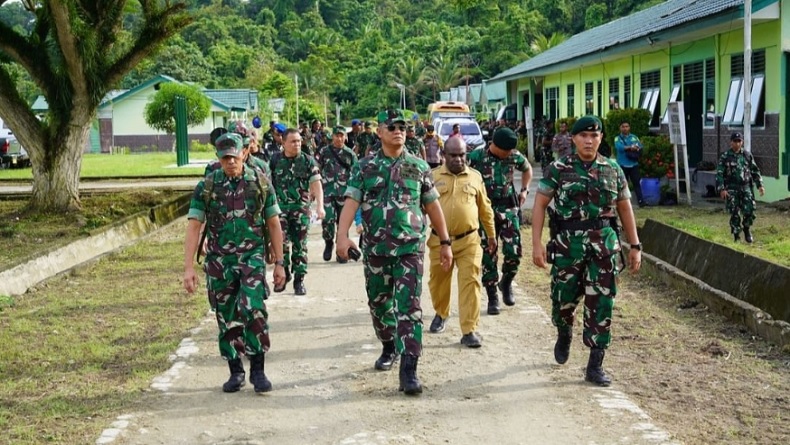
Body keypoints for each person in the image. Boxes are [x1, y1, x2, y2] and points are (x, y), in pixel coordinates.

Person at [335, 109, 453, 396]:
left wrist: (446, 241)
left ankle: (409, 369)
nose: (398, 131)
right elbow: (351, 202)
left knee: (409, 308)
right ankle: (389, 345)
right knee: (379, 304)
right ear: (380, 132)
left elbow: (432, 204)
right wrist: (342, 236)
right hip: (375, 249)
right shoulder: (364, 167)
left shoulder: (418, 166)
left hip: (410, 249)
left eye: (402, 127)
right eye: (392, 127)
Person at [531, 115, 642, 387]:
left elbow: (625, 207)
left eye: (594, 136)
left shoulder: (613, 169)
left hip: (603, 244)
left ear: (601, 138)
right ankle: (564, 331)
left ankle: (595, 364)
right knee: (563, 297)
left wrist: (635, 245)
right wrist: (536, 243)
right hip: (568, 245)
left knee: (602, 300)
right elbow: (541, 204)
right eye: (583, 136)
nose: (589, 140)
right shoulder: (559, 168)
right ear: (574, 138)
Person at [183, 132, 286, 393]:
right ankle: (235, 370)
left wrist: (280, 262)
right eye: (225, 157)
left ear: (244, 153)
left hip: (252, 257)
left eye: (234, 155)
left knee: (253, 308)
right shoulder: (207, 186)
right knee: (226, 315)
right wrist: (188, 268)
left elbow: (273, 223)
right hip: (220, 261)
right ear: (218, 158)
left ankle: (258, 369)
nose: (230, 161)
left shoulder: (260, 182)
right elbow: (194, 226)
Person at [427, 136, 496, 348]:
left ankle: (469, 330)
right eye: (453, 155)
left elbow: (485, 208)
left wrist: (491, 235)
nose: (458, 159)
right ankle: (441, 312)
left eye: (462, 155)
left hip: (469, 241)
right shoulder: (432, 177)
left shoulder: (475, 177)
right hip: (440, 241)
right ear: (444, 155)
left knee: (471, 283)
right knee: (438, 282)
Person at [467, 127, 532, 315]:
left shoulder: (513, 156)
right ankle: (492, 295)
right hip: (484, 211)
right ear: (495, 145)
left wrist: (525, 189)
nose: (509, 154)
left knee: (514, 251)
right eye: (506, 151)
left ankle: (507, 282)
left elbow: (527, 168)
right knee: (489, 253)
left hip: (508, 208)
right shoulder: (476, 157)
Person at [270, 128, 325, 295]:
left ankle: (299, 279)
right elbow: (268, 184)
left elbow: (316, 184)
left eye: (299, 141)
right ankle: (284, 273)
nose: (297, 144)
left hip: (300, 210)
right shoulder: (274, 160)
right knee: (282, 244)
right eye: (293, 141)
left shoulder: (308, 161)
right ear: (283, 143)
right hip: (280, 210)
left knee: (300, 245)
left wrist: (320, 206)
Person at [316, 126, 358, 261]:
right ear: (332, 137)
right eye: (336, 135)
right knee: (327, 220)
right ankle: (328, 243)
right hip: (327, 192)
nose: (339, 138)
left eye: (342, 136)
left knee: (343, 224)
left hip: (344, 193)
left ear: (345, 137)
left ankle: (342, 251)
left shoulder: (350, 154)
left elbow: (356, 174)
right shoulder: (324, 152)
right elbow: (316, 170)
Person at [715, 132, 765, 243]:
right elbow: (719, 173)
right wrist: (722, 189)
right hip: (732, 189)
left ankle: (747, 228)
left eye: (739, 141)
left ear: (742, 142)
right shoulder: (725, 156)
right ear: (731, 142)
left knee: (750, 210)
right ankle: (736, 235)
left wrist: (760, 185)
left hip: (746, 187)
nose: (737, 144)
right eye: (735, 141)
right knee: (734, 212)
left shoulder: (747, 155)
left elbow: (755, 170)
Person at [614, 120, 645, 207]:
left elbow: (640, 146)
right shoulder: (618, 138)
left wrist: (635, 147)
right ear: (620, 128)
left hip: (634, 164)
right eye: (623, 126)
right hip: (622, 164)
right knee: (623, 185)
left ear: (629, 127)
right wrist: (631, 147)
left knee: (636, 183)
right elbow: (619, 147)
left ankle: (641, 202)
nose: (625, 128)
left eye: (627, 126)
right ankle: (622, 203)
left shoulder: (634, 137)